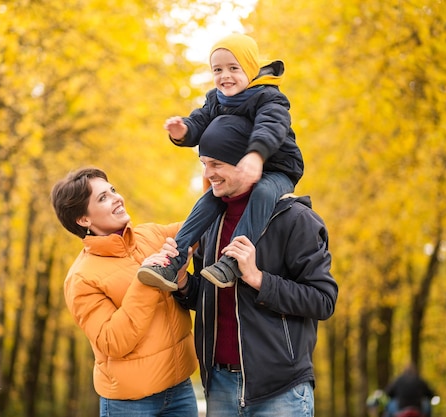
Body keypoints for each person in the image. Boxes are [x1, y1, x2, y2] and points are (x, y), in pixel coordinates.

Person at [144, 115, 338, 416]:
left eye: (216, 164)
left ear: (243, 162)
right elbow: (205, 298)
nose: (208, 174)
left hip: (281, 391)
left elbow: (323, 301)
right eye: (204, 163)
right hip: (219, 385)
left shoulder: (296, 220)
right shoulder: (209, 221)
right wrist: (183, 283)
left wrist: (258, 278)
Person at [137, 33, 304, 292]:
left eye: (233, 68)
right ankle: (173, 261)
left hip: (277, 168)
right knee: (207, 201)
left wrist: (256, 155)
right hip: (238, 171)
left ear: (249, 68)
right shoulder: (216, 99)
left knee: (262, 192)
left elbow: (270, 127)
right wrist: (183, 132)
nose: (225, 75)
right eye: (218, 69)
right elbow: (199, 120)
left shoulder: (268, 97)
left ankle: (233, 261)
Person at [50, 167, 198, 417]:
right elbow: (113, 341)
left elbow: (201, 227)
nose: (117, 198)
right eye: (103, 198)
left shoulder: (150, 235)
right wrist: (147, 279)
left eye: (113, 191)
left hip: (180, 391)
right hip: (131, 405)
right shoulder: (81, 278)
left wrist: (217, 178)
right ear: (83, 219)